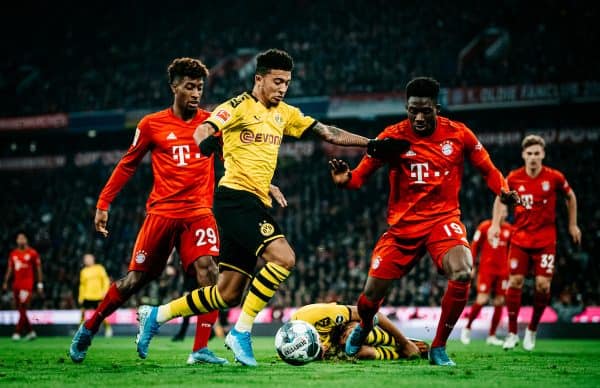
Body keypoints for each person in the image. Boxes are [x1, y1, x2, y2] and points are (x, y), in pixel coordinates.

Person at [136, 48, 407, 367]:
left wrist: (372, 144)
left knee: (227, 293)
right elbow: (203, 129)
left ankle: (156, 314)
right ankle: (241, 332)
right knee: (284, 257)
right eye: (277, 81)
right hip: (234, 199)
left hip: (251, 202)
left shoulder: (286, 114)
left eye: (287, 83)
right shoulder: (236, 106)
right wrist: (205, 141)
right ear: (259, 79)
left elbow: (327, 132)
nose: (282, 88)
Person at [328, 76, 520, 366]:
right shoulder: (392, 137)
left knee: (463, 271)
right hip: (402, 229)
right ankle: (366, 326)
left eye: (425, 110)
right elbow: (358, 178)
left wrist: (504, 190)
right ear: (407, 107)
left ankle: (439, 347)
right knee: (368, 300)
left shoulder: (459, 134)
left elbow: (488, 169)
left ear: (437, 108)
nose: (418, 117)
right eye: (412, 110)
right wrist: (345, 180)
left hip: (442, 221)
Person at [70, 57, 227, 365]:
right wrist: (103, 203)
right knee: (134, 281)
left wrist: (264, 184)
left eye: (200, 88)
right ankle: (89, 327)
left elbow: (232, 160)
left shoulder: (212, 125)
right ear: (174, 87)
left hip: (198, 212)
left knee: (209, 272)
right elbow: (127, 164)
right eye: (190, 87)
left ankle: (200, 349)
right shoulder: (151, 125)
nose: (196, 93)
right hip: (161, 214)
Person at [488, 134, 581, 351]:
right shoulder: (514, 178)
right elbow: (500, 199)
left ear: (543, 155)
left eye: (536, 153)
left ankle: (532, 329)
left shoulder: (554, 177)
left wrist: (573, 225)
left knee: (542, 285)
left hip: (546, 240)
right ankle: (512, 333)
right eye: (529, 153)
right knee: (515, 283)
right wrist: (495, 224)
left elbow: (571, 197)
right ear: (523, 155)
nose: (532, 157)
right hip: (520, 239)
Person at [291, 303, 429, 361]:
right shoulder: (291, 350)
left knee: (353, 337)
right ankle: (399, 353)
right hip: (335, 341)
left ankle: (404, 343)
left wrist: (404, 342)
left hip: (341, 327)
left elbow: (375, 315)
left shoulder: (320, 315)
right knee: (361, 352)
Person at [460, 207, 512, 346]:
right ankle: (467, 328)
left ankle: (492, 335)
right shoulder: (485, 226)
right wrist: (472, 266)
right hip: (486, 269)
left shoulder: (509, 229)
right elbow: (475, 246)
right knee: (482, 299)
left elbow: (513, 250)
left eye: (506, 212)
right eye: (503, 211)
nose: (505, 214)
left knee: (500, 301)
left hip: (503, 271)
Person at [2, 232, 44, 340]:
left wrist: (39, 284)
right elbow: (10, 269)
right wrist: (6, 282)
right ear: (16, 241)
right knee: (20, 309)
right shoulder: (13, 254)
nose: (20, 240)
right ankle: (31, 331)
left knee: (23, 306)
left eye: (22, 238)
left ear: (26, 240)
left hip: (27, 285)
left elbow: (38, 269)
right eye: (18, 238)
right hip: (16, 285)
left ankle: (17, 332)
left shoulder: (32, 253)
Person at [78, 253, 112, 337]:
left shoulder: (99, 268)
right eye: (85, 259)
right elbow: (82, 285)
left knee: (101, 313)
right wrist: (81, 296)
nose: (87, 260)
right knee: (82, 313)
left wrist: (105, 291)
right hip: (87, 295)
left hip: (98, 295)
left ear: (93, 259)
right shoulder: (83, 271)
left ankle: (108, 328)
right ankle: (80, 330)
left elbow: (105, 280)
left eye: (88, 258)